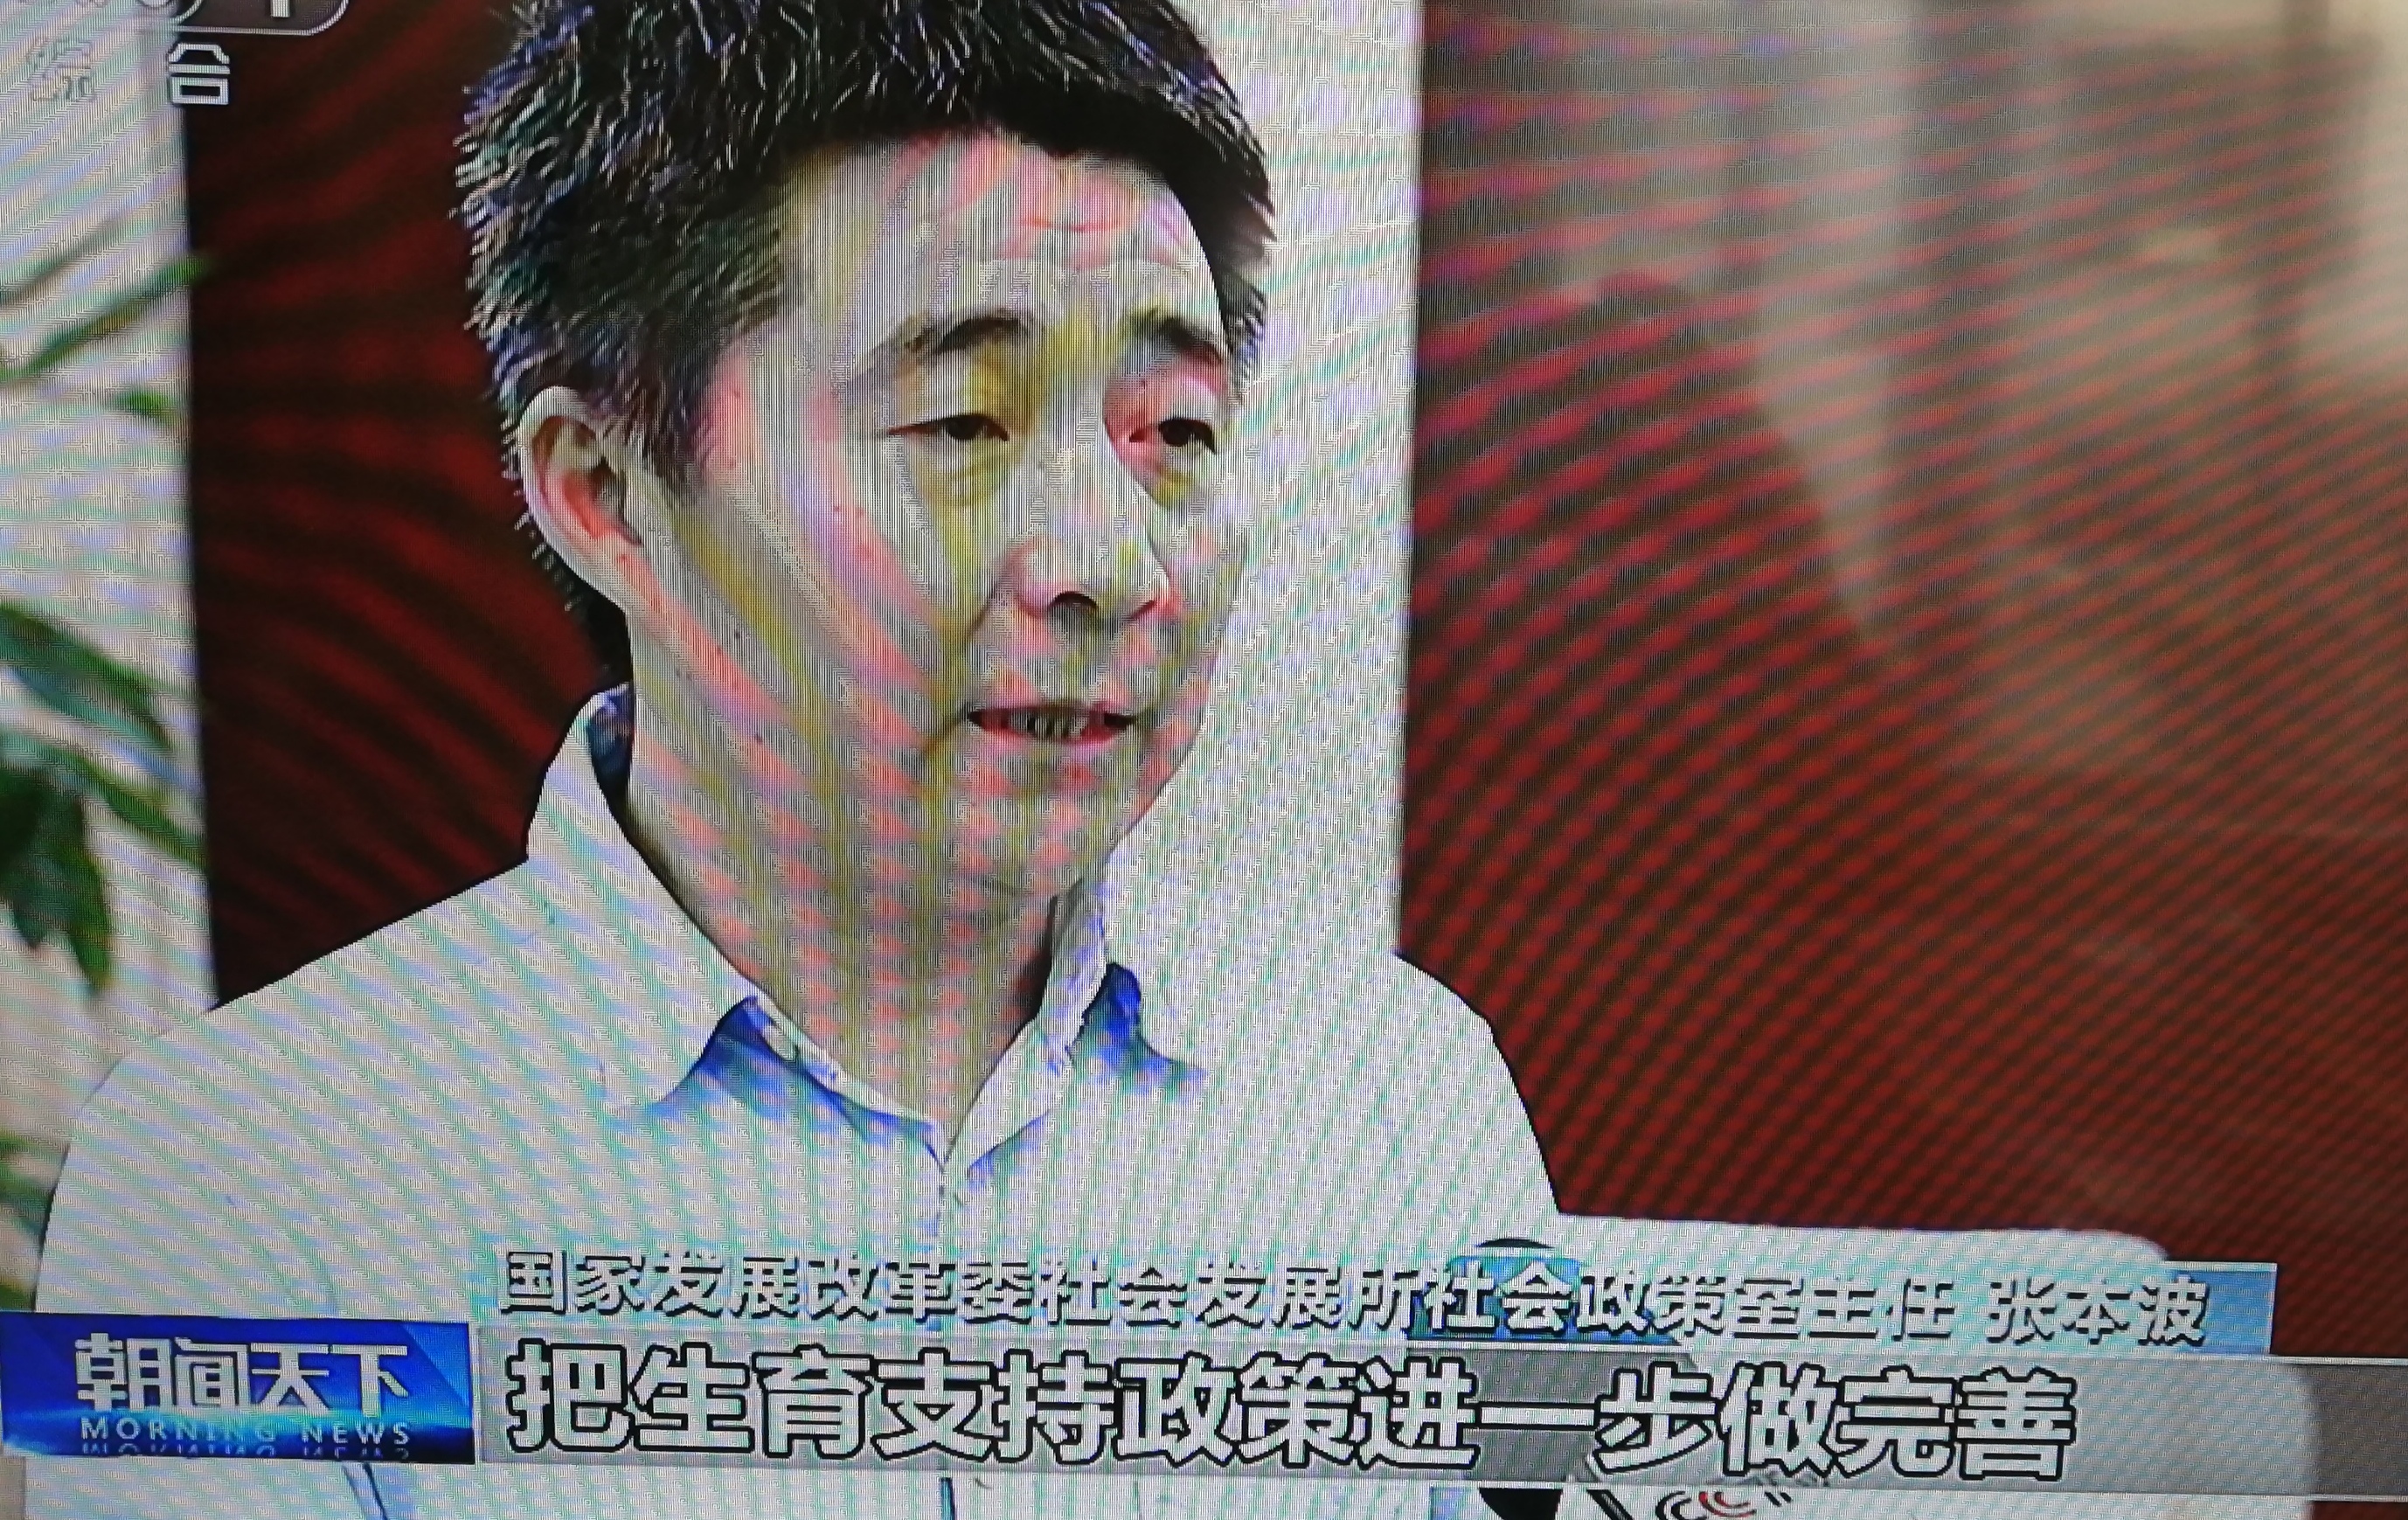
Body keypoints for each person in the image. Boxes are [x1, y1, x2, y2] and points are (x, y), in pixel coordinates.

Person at [29, 2, 1555, 1517]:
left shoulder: (1397, 1099)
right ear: (609, 491)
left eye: (1174, 432)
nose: (1108, 562)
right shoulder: (238, 1189)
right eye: (963, 422)